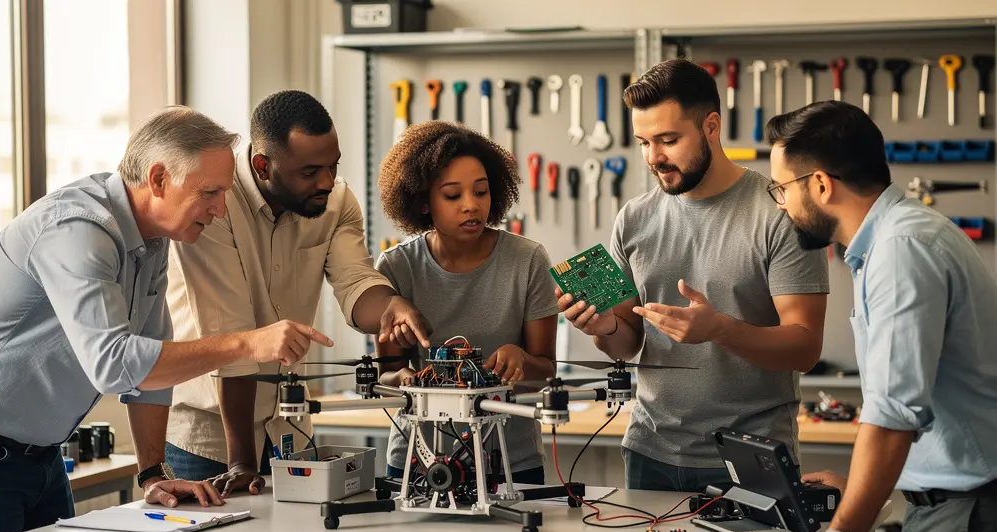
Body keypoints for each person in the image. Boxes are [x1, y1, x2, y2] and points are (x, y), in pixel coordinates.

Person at [0, 106, 329, 532]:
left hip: (41, 459)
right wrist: (248, 345)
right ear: (159, 178)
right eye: (210, 193)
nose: (220, 209)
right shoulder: (77, 229)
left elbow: (150, 366)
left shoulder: (152, 241)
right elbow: (115, 363)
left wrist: (152, 474)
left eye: (224, 193)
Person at [558, 58, 830, 492]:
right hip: (649, 450)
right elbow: (626, 344)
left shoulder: (779, 213)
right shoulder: (634, 218)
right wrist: (604, 327)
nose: (654, 157)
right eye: (644, 142)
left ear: (711, 127)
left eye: (668, 140)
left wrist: (719, 329)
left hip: (751, 456)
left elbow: (805, 348)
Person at [162, 90, 430, 495]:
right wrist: (241, 462)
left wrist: (390, 306)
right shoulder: (214, 205)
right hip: (210, 439)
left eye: (333, 165)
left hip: (289, 428)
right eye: (309, 171)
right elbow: (231, 338)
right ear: (263, 166)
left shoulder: (335, 201)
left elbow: (356, 282)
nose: (327, 181)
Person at [771, 101, 997, 532]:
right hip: (949, 506)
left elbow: (894, 413)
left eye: (782, 189)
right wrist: (858, 489)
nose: (781, 205)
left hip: (967, 518)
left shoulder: (900, 251)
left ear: (820, 184)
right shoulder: (894, 242)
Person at [374, 120, 559, 484]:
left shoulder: (527, 260)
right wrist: (403, 380)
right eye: (453, 195)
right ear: (422, 201)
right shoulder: (397, 267)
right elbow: (386, 375)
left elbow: (546, 372)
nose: (471, 206)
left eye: (481, 191)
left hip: (509, 463)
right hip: (418, 460)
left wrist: (521, 359)